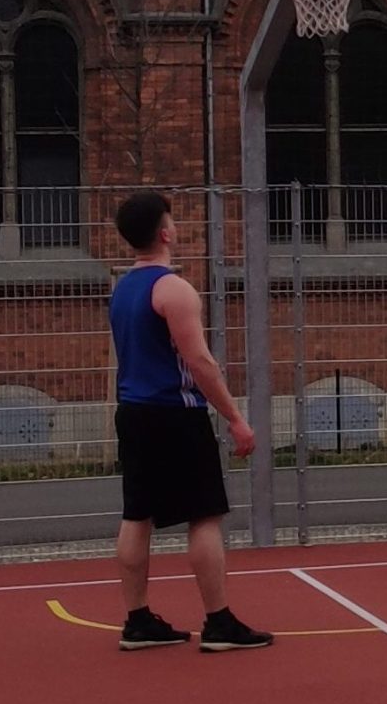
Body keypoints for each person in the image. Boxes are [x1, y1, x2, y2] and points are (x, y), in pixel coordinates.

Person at [108, 191, 274, 653]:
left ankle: (137, 619)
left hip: (133, 411)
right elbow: (199, 361)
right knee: (203, 514)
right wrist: (236, 418)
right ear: (165, 232)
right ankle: (218, 621)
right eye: (172, 221)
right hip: (174, 413)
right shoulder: (174, 289)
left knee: (136, 514)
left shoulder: (122, 288)